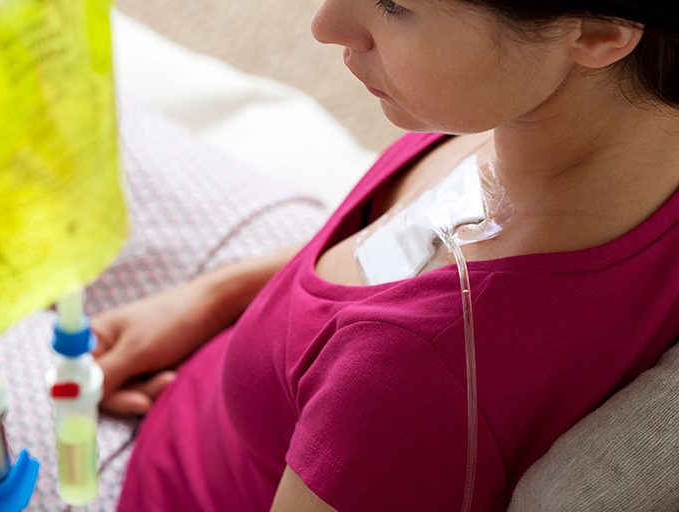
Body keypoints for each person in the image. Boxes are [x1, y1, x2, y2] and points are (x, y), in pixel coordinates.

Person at [93, 1, 679, 510]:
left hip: (136, 480)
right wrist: (214, 298)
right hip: (230, 340)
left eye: (393, 3)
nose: (326, 25)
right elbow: (382, 254)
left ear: (599, 29)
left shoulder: (402, 382)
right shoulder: (560, 125)